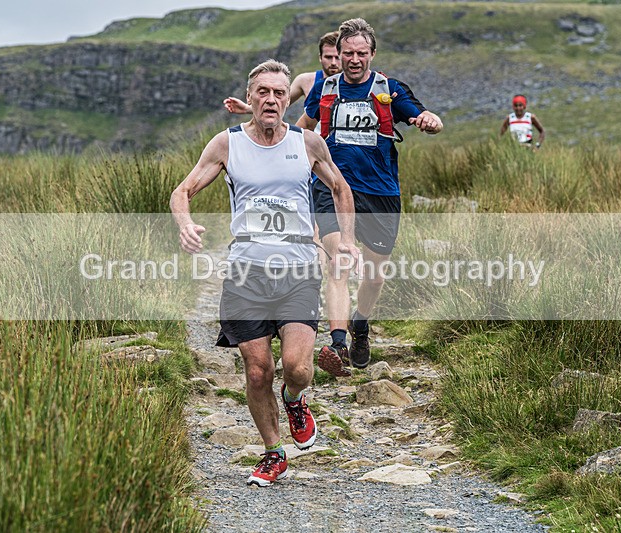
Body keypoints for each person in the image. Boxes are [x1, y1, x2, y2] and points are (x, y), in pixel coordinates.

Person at [171, 59, 359, 487]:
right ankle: (274, 452)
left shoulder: (307, 143)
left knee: (296, 366)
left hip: (296, 268)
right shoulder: (226, 143)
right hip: (245, 273)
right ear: (250, 97)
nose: (271, 99)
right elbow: (181, 191)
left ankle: (295, 398)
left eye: (279, 92)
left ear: (286, 98)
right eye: (263, 92)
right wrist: (185, 224)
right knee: (257, 372)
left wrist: (346, 240)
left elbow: (340, 187)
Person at [296, 18, 443, 375]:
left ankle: (361, 324)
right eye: (348, 53)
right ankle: (337, 343)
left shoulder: (389, 89)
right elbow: (303, 128)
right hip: (332, 187)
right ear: (339, 54)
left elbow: (418, 112)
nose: (354, 59)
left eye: (362, 53)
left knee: (374, 276)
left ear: (372, 54)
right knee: (339, 262)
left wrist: (428, 119)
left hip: (380, 192)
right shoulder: (326, 88)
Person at [223, 31, 341, 116]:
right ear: (320, 57)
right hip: (313, 144)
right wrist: (246, 108)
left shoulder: (356, 84)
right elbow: (279, 102)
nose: (333, 62)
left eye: (337, 57)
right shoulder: (305, 81)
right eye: (328, 57)